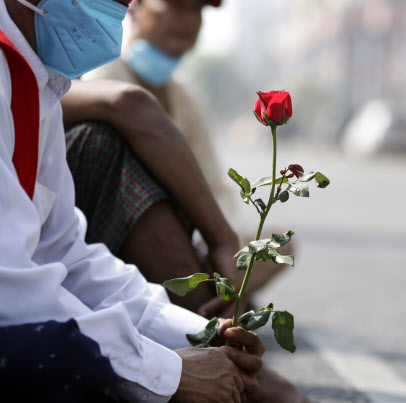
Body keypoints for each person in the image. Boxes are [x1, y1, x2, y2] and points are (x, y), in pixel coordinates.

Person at [0, 0, 265, 401]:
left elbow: (67, 255)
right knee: (71, 357)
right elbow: (12, 292)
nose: (117, 9)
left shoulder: (37, 83)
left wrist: (195, 333)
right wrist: (167, 371)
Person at [74, 0, 289, 317]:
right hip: (122, 236)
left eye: (196, 10)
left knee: (278, 244)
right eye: (176, 6)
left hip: (194, 241)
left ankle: (212, 301)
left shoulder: (187, 99)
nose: (187, 20)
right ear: (134, 8)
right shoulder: (101, 76)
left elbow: (216, 188)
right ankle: (214, 309)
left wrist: (215, 244)